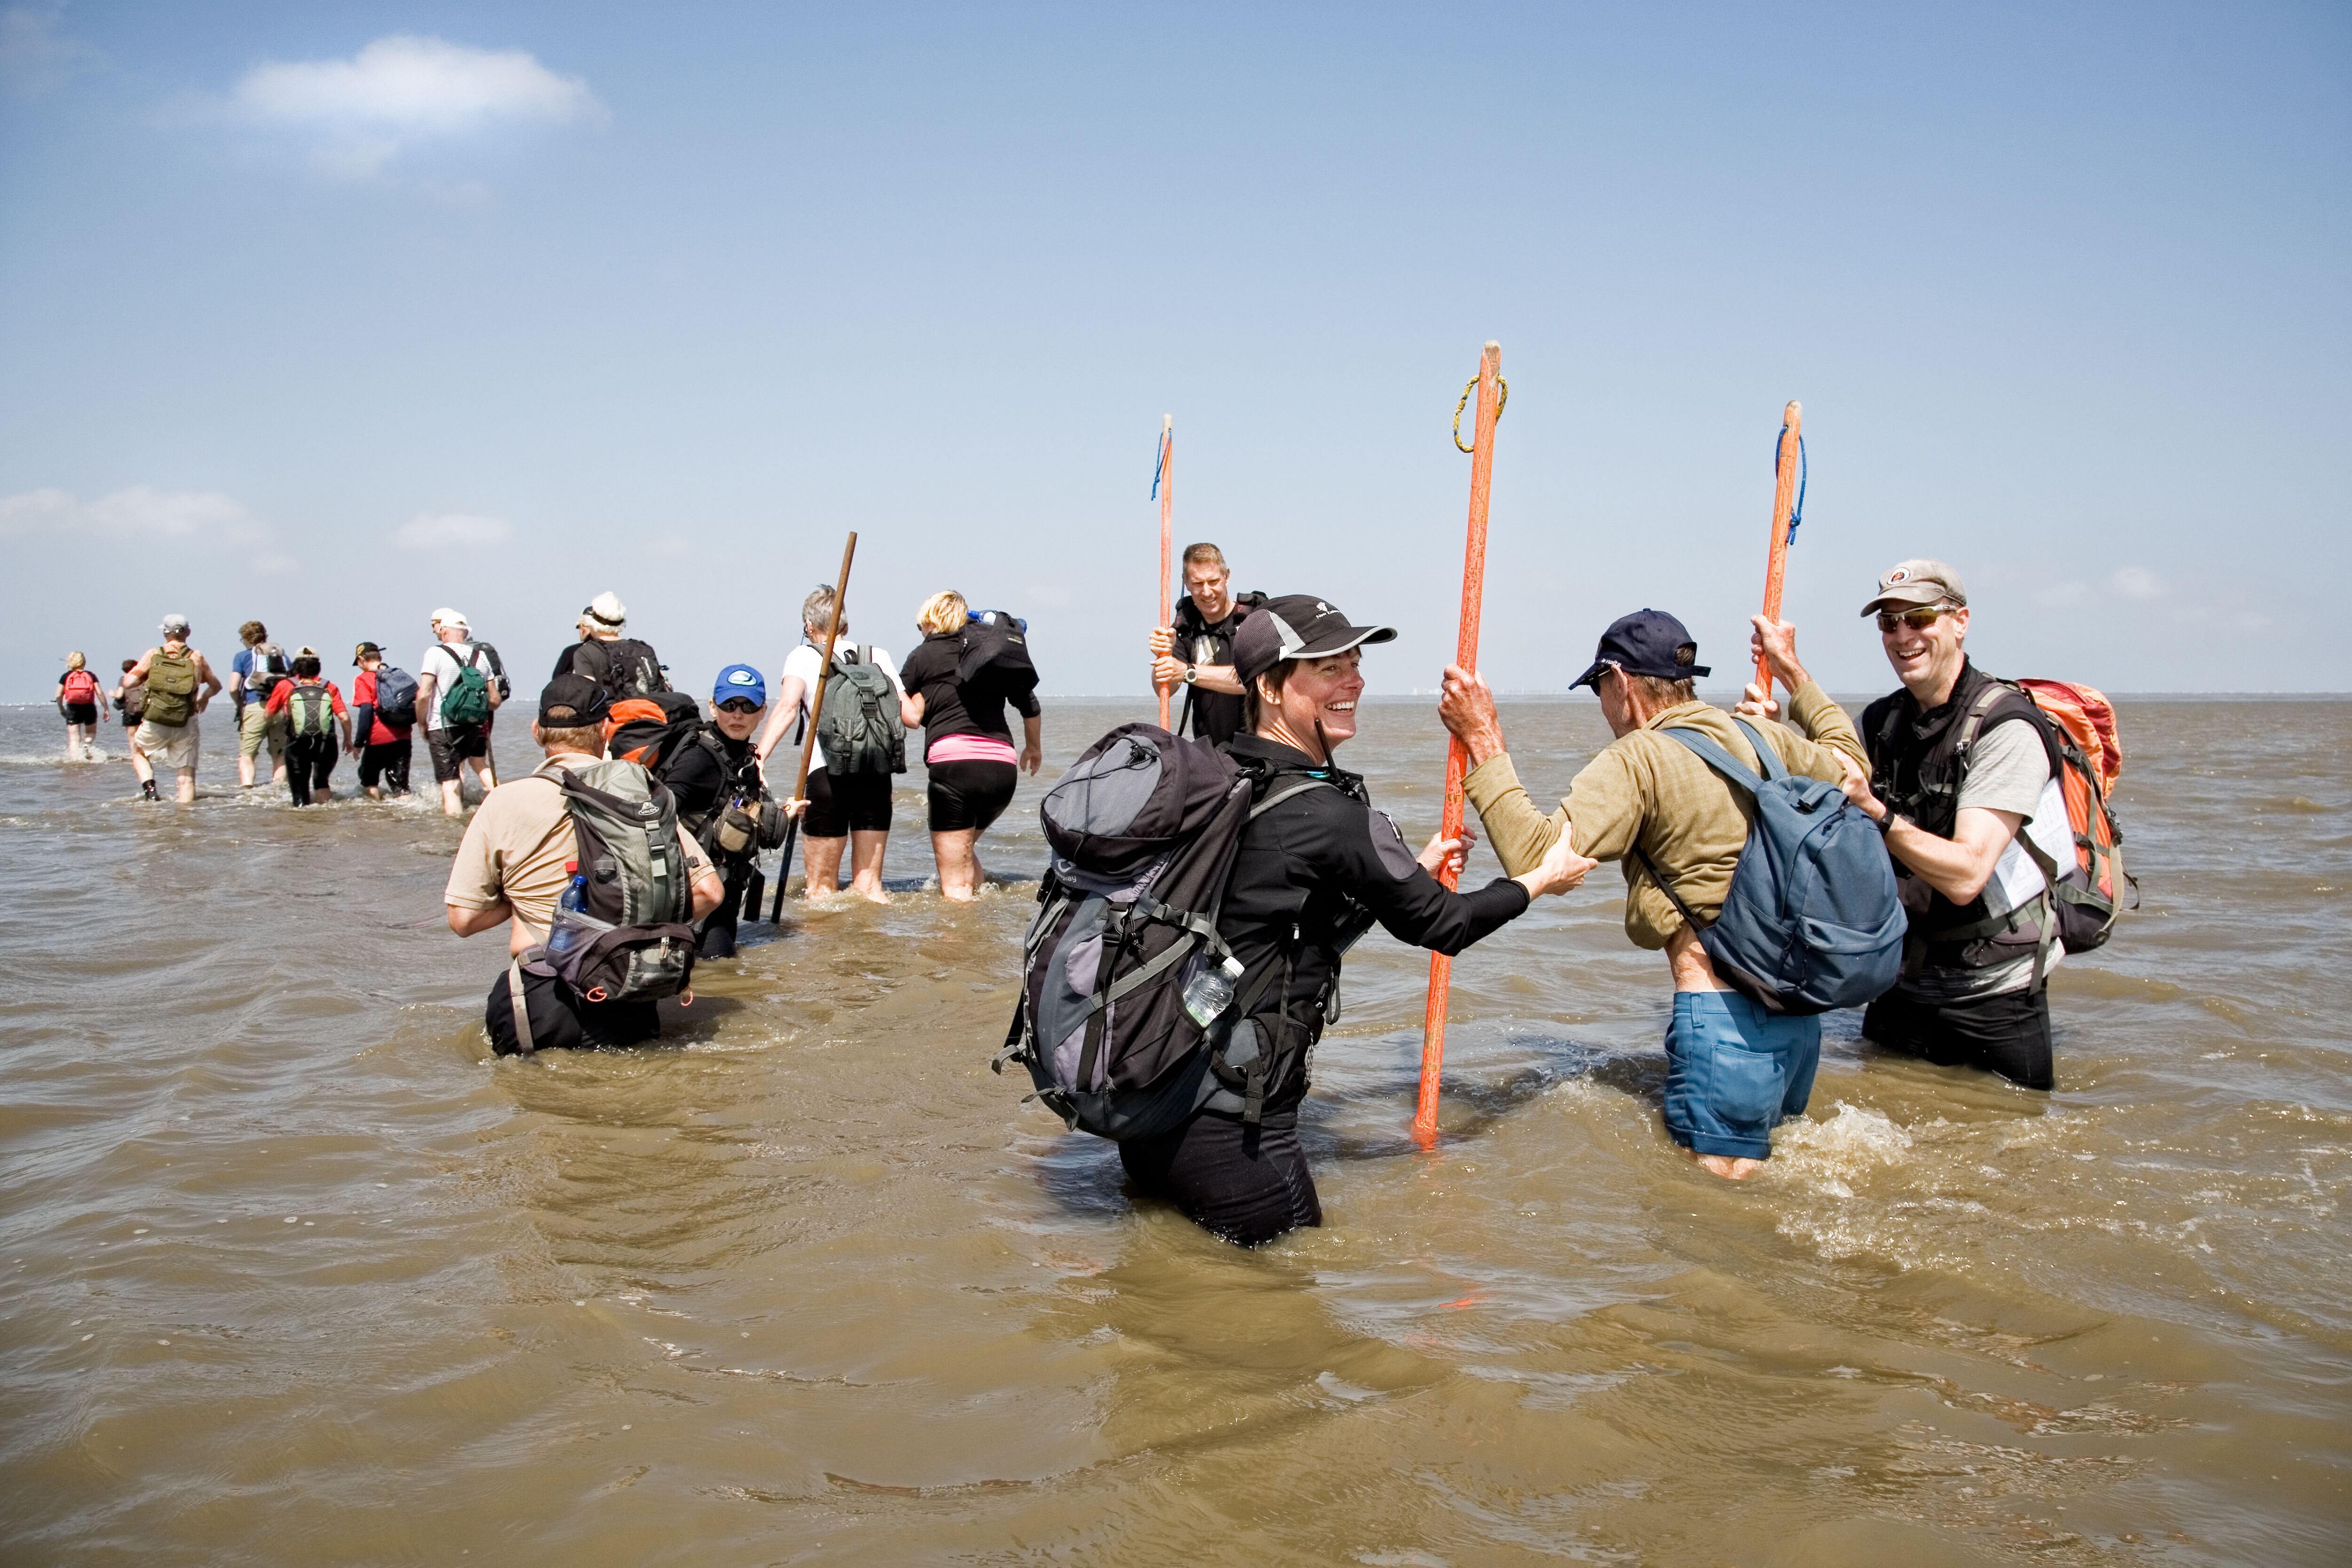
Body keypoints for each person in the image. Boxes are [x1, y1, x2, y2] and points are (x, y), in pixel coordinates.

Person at [1117, 595, 1593, 1245]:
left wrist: (1409, 872)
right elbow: (1446, 927)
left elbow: (1278, 916)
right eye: (1329, 667)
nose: (1355, 681)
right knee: (1288, 1303)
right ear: (1269, 687)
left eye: (1356, 662)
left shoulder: (1217, 776)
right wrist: (1539, 879)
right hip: (1234, 1132)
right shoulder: (1332, 817)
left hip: (1146, 1111)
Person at [1439, 607, 1869, 1180]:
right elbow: (1853, 768)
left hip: (1721, 1016)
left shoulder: (1638, 757)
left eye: (1598, 688)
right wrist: (1793, 674)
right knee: (1767, 1185)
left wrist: (1482, 739)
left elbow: (1537, 859)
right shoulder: (1765, 736)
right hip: (1802, 1016)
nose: (1602, 707)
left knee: (1714, 1210)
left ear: (1619, 682)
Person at [1834, 560, 2077, 1091]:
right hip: (1898, 980)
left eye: (1918, 618)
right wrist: (1767, 721)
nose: (1902, 636)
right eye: (1888, 624)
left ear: (1959, 622)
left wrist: (1876, 812)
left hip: (1994, 992)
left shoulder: (2007, 727)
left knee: (2013, 1152)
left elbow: (1966, 875)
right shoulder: (1879, 722)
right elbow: (1816, 782)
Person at [444, 675, 723, 1048]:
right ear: (606, 730)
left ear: (536, 731)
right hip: (629, 996)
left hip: (540, 998)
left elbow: (463, 920)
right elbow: (709, 891)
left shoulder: (503, 802)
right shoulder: (639, 791)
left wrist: (518, 899)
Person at [751, 585, 908, 903]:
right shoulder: (878, 656)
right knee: (871, 890)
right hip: (876, 775)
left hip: (826, 776)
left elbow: (787, 707)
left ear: (809, 626)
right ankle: (875, 951)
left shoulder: (803, 656)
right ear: (846, 625)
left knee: (821, 892)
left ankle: (826, 951)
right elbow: (912, 716)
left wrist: (759, 757)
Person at [895, 590, 1041, 900]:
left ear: (931, 621)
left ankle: (959, 948)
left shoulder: (924, 654)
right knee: (964, 851)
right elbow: (1030, 705)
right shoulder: (988, 652)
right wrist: (1033, 748)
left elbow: (910, 717)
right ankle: (985, 931)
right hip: (1002, 769)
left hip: (956, 768)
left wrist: (892, 685)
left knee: (954, 886)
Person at [660, 664, 776, 959]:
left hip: (726, 890)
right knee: (716, 969)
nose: (738, 714)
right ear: (713, 707)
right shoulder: (701, 757)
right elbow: (660, 812)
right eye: (729, 705)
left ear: (763, 711)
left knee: (722, 971)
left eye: (748, 706)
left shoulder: (742, 757)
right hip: (701, 893)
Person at [1147, 542, 1267, 747]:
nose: (1207, 592)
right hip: (1210, 751)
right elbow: (1164, 689)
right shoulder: (1184, 628)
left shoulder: (1256, 619)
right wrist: (1164, 656)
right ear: (1186, 582)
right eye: (1198, 583)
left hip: (1260, 751)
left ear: (1226, 577)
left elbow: (1257, 681)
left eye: (1213, 582)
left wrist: (1188, 672)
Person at [126, 615, 223, 804]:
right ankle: (185, 823)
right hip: (186, 721)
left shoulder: (154, 654)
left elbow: (129, 682)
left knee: (138, 752)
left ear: (165, 633)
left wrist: (147, 678)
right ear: (188, 633)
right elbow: (216, 686)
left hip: (156, 719)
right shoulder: (196, 657)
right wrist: (204, 698)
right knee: (186, 779)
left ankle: (151, 791)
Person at [415, 609, 502, 817]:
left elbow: (424, 694)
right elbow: (495, 700)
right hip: (473, 727)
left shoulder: (435, 653)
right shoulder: (480, 656)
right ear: (465, 633)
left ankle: (454, 832)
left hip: (443, 726)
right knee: (465, 769)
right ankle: (497, 809)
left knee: (450, 782)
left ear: (444, 631)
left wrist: (422, 724)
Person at [265, 648, 352, 806]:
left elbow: (268, 715)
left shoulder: (286, 685)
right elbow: (344, 718)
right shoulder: (329, 687)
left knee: (300, 792)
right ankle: (325, 821)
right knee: (321, 781)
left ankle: (302, 824)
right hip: (327, 744)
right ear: (318, 666)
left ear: (296, 666)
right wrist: (348, 740)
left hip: (297, 743)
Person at [553, 591, 667, 697]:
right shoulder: (644, 649)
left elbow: (587, 696)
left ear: (591, 623)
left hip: (614, 716)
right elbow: (665, 687)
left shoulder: (585, 652)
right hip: (651, 714)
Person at [349, 642, 414, 799]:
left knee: (370, 783)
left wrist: (359, 743)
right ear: (380, 657)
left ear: (360, 660)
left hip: (377, 740)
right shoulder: (397, 677)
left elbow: (366, 712)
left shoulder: (362, 679)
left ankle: (376, 819)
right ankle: (407, 819)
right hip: (403, 738)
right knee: (401, 787)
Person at [230, 621, 290, 789]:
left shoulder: (242, 657)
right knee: (280, 756)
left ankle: (248, 792)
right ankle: (277, 791)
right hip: (280, 709)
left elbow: (233, 687)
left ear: (246, 639)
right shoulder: (283, 657)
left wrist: (240, 704)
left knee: (247, 756)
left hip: (255, 707)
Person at [56, 652, 102, 762]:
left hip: (72, 707)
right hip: (89, 706)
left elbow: (58, 694)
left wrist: (61, 708)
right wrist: (106, 708)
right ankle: (87, 745)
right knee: (91, 732)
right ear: (84, 662)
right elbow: (100, 693)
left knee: (74, 738)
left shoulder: (66, 676)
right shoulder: (91, 675)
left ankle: (75, 760)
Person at [109, 659, 145, 740]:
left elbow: (119, 695)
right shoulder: (144, 679)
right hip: (144, 711)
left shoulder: (123, 679)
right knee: (143, 737)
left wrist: (112, 695)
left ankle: (134, 753)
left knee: (132, 737)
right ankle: (144, 753)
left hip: (129, 711)